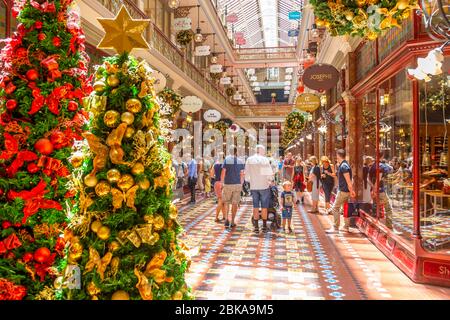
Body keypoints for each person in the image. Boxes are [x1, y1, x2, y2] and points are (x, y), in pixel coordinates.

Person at [245, 144, 274, 233]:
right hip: (264, 186)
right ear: (262, 151)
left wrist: (251, 181)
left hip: (254, 186)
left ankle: (256, 227)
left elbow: (247, 174)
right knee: (264, 207)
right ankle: (264, 226)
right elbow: (269, 174)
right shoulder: (265, 160)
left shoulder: (249, 159)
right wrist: (270, 181)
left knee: (255, 206)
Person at [326, 149, 356, 233]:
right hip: (345, 190)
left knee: (335, 208)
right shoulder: (345, 165)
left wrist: (351, 190)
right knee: (345, 208)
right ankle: (346, 227)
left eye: (336, 155)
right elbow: (351, 179)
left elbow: (348, 180)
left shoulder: (343, 166)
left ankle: (335, 227)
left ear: (338, 155)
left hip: (343, 191)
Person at [369, 152, 397, 232]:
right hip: (379, 190)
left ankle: (376, 227)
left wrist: (372, 188)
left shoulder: (372, 166)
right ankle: (389, 227)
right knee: (388, 208)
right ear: (382, 156)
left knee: (376, 209)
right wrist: (375, 190)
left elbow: (368, 179)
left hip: (374, 190)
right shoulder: (380, 166)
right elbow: (378, 180)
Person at [221, 146, 245, 228]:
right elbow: (242, 174)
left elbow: (223, 172)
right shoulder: (240, 161)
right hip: (237, 184)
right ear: (236, 152)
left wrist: (222, 183)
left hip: (228, 184)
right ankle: (232, 221)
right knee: (235, 203)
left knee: (227, 202)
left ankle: (226, 219)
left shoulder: (226, 160)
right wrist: (241, 184)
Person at [212, 156, 225, 222]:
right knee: (221, 201)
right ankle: (216, 217)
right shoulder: (225, 164)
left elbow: (212, 175)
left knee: (221, 200)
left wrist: (216, 176)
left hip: (216, 183)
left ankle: (224, 216)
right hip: (223, 183)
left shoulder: (215, 164)